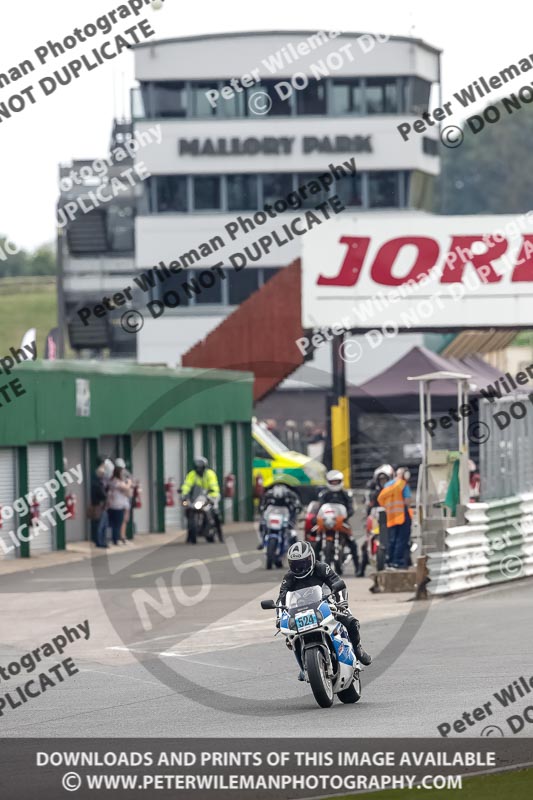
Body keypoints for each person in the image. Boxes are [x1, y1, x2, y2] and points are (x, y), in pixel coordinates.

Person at [276, 541, 372, 680]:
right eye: (295, 564)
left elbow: (338, 584)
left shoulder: (322, 568)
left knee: (351, 622)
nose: (299, 568)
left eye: (303, 563)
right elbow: (282, 599)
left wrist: (342, 603)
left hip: (328, 604)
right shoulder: (289, 577)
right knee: (290, 636)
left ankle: (358, 649)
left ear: (311, 559)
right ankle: (305, 666)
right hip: (301, 610)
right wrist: (279, 617)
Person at [316, 470, 359, 575]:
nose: (335, 484)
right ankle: (314, 568)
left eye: (336, 481)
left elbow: (351, 508)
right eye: (332, 482)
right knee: (316, 542)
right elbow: (319, 508)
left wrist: (345, 516)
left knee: (352, 542)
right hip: (327, 522)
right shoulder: (324, 494)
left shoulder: (346, 494)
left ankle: (358, 567)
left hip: (341, 522)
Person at [181, 456, 223, 542]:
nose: (199, 470)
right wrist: (184, 494)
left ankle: (220, 534)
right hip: (198, 497)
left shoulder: (210, 474)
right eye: (197, 468)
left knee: (215, 512)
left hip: (210, 496)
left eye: (200, 468)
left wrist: (212, 494)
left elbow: (214, 486)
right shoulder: (192, 474)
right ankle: (190, 533)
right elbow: (187, 485)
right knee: (189, 509)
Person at [378, 467, 412, 569]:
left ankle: (390, 561)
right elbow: (407, 501)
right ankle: (398, 562)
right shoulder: (403, 485)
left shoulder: (388, 485)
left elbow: (380, 499)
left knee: (391, 540)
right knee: (401, 540)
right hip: (402, 516)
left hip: (391, 516)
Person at [257, 482, 301, 549]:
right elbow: (263, 504)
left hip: (286, 516)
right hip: (273, 516)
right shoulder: (269, 495)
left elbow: (297, 504)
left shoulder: (290, 495)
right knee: (262, 525)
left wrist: (297, 508)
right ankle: (263, 541)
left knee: (292, 531)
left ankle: (295, 549)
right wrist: (262, 508)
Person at [107, 464, 133, 546]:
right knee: (116, 524)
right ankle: (115, 539)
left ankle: (118, 538)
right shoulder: (115, 481)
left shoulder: (117, 481)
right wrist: (129, 482)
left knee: (119, 522)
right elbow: (126, 488)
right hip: (116, 505)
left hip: (119, 504)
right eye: (121, 472)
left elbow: (128, 492)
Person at [90, 459, 109, 548]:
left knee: (103, 524)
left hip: (100, 506)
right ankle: (99, 542)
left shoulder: (98, 483)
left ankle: (101, 541)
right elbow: (102, 495)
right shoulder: (97, 484)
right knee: (100, 525)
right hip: (99, 506)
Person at [115, 457, 132, 543]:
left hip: (124, 500)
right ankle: (120, 536)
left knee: (125, 519)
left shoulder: (125, 474)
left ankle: (122, 536)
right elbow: (126, 487)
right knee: (121, 520)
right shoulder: (116, 478)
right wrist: (128, 483)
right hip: (119, 502)